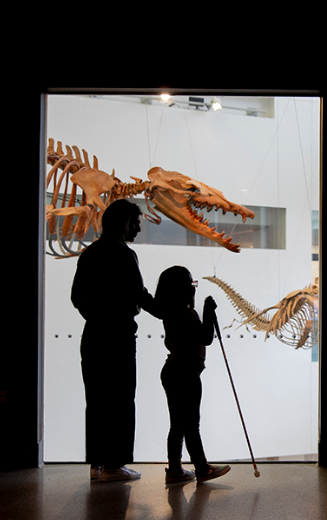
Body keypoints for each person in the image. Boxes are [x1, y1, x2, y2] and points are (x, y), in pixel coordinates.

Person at [71, 199, 162, 482]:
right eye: (135, 223)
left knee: (96, 400)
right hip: (119, 337)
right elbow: (140, 295)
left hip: (94, 336)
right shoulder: (124, 254)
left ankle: (97, 464)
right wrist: (169, 311)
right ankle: (114, 466)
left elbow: (76, 297)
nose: (137, 229)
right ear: (122, 222)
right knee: (121, 400)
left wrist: (96, 316)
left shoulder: (89, 254)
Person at [155, 266, 231, 483]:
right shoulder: (185, 313)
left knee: (177, 424)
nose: (192, 288)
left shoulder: (171, 313)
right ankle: (201, 467)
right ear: (181, 288)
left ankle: (175, 470)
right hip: (186, 374)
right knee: (191, 424)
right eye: (190, 284)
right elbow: (206, 337)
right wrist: (208, 310)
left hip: (172, 371)